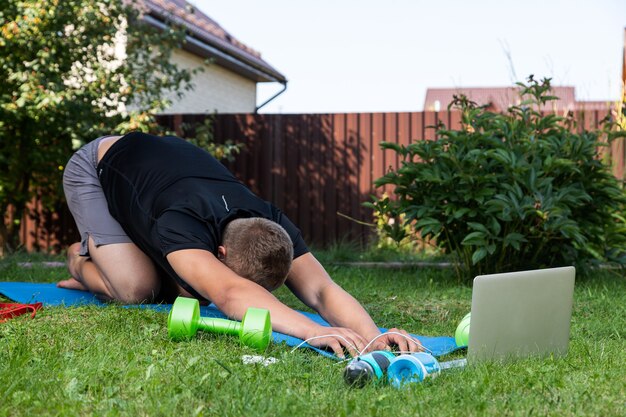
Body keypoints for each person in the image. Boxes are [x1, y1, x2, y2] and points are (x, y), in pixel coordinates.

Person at [59, 132, 422, 357]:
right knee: (136, 289)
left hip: (159, 170)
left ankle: (113, 253)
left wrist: (373, 336)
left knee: (191, 291)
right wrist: (313, 330)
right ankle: (80, 259)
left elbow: (323, 290)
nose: (256, 296)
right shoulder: (181, 223)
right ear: (221, 253)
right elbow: (231, 294)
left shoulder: (271, 223)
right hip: (99, 166)